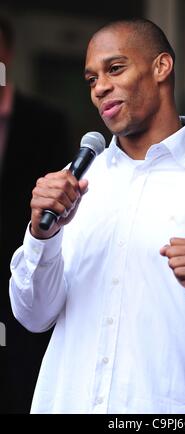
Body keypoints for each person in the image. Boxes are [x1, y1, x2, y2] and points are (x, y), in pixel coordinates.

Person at [9, 18, 185, 414]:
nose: (100, 88)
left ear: (161, 67)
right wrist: (43, 239)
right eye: (91, 79)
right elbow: (33, 316)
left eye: (115, 68)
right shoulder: (76, 186)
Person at [0, 16, 72, 413]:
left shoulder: (46, 122)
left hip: (25, 277)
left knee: (21, 385)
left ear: (6, 54)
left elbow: (59, 199)